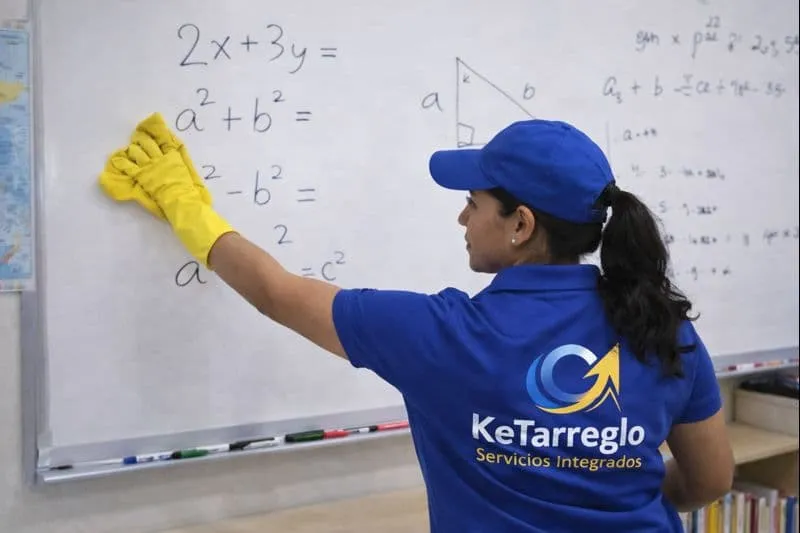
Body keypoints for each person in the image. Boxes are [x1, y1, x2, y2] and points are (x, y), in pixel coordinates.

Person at [99, 114, 734, 532]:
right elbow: (709, 482)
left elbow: (274, 292)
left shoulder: (443, 335)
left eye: (473, 203)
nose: (462, 219)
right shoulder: (664, 326)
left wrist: (185, 206)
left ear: (520, 225)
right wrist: (608, 482)